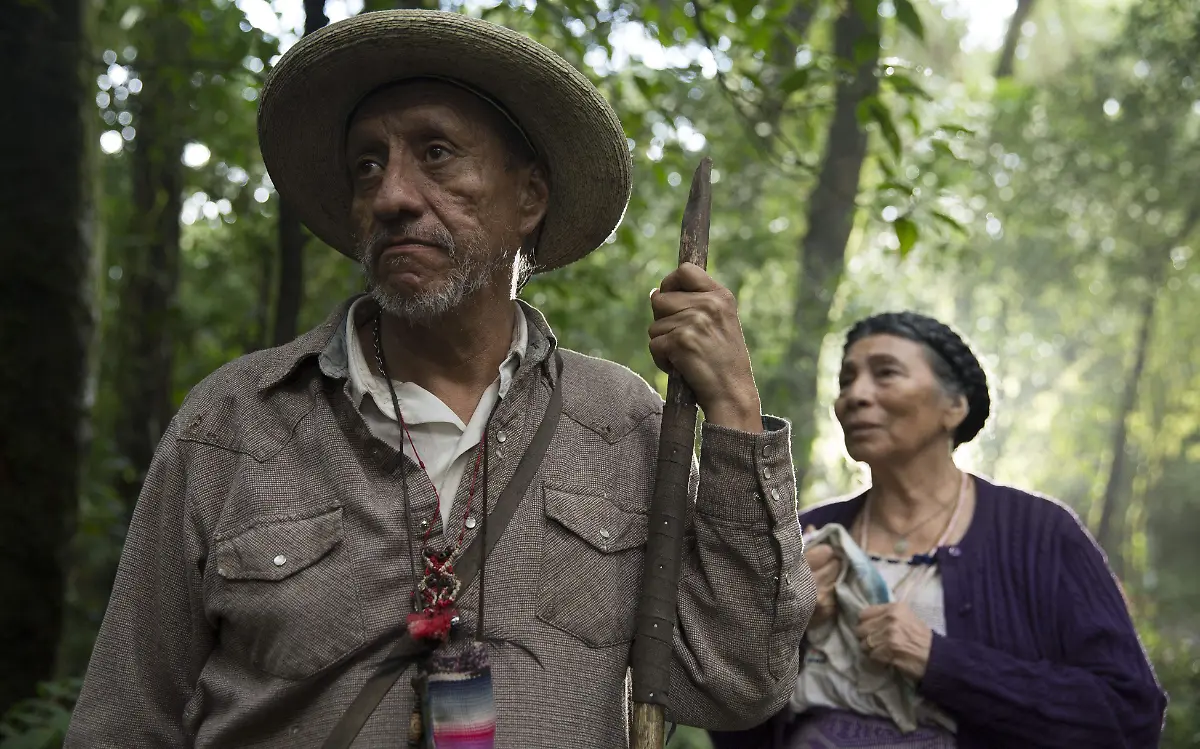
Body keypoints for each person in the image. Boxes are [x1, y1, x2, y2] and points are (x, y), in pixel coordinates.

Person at [65, 10, 816, 749]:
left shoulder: (621, 422)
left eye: (436, 154)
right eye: (368, 165)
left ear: (530, 198)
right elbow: (125, 719)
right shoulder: (235, 423)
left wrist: (734, 410)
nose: (392, 195)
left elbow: (736, 679)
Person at [711, 311, 1166, 749]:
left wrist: (939, 661)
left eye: (885, 373)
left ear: (954, 406)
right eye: (846, 380)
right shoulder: (805, 534)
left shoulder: (1040, 534)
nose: (856, 395)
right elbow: (727, 717)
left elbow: (1128, 715)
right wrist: (789, 628)